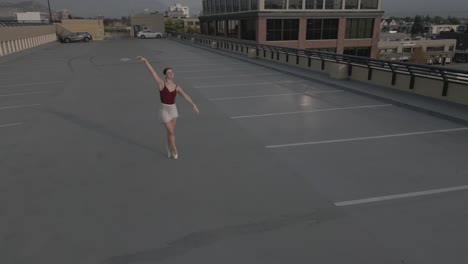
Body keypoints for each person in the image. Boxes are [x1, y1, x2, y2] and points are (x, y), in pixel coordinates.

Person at [137, 56, 199, 159]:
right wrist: (146, 61)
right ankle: (174, 149)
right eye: (169, 72)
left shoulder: (177, 87)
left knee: (170, 133)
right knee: (171, 132)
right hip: (164, 110)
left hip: (173, 110)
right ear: (165, 75)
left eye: (172, 72)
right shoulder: (161, 83)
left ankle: (168, 147)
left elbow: (185, 95)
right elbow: (153, 73)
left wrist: (193, 104)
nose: (171, 73)